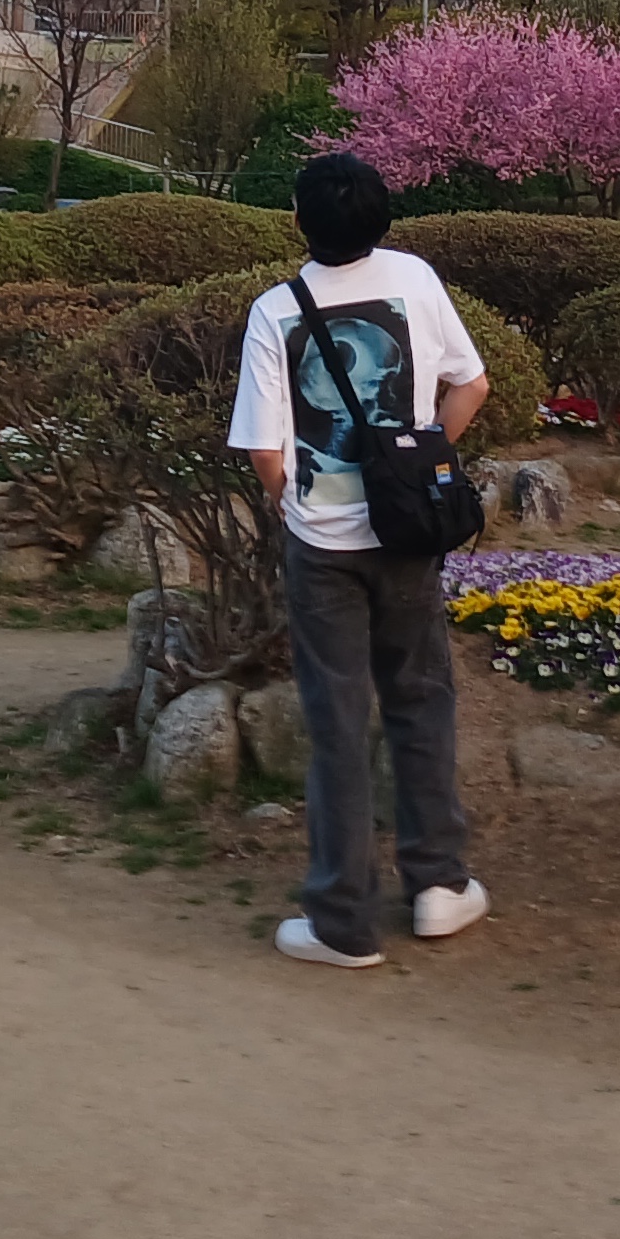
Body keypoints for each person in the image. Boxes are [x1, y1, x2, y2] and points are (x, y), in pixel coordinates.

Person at [228, 151, 491, 970]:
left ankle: (342, 920)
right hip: (406, 538)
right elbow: (471, 385)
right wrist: (413, 467)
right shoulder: (414, 278)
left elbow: (265, 450)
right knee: (422, 699)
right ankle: (439, 887)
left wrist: (289, 499)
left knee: (336, 722)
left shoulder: (276, 311)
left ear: (298, 221)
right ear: (383, 218)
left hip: (323, 545)